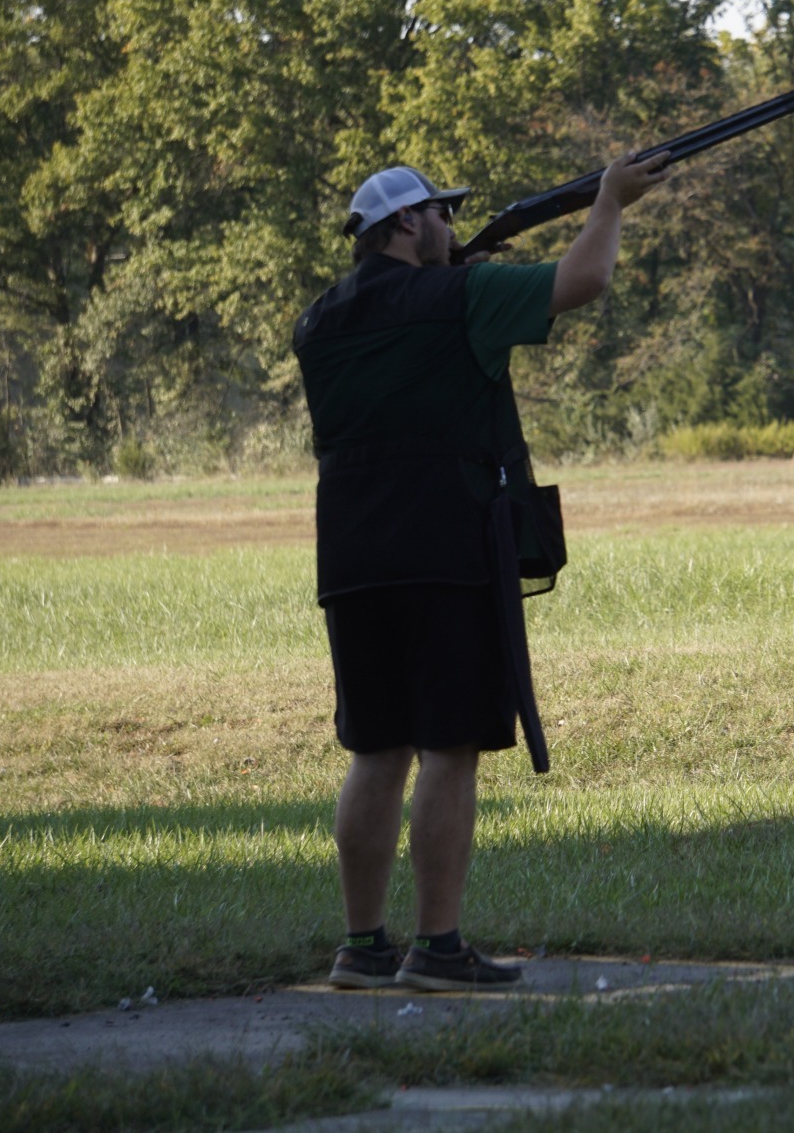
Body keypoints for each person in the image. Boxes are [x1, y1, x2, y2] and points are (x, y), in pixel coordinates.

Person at [292, 152, 669, 990]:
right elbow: (585, 279)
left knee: (376, 749)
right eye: (441, 215)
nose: (453, 227)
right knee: (450, 748)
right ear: (405, 225)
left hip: (351, 556)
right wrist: (610, 200)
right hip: (446, 550)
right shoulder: (461, 297)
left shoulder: (317, 322)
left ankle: (362, 946)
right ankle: (438, 947)